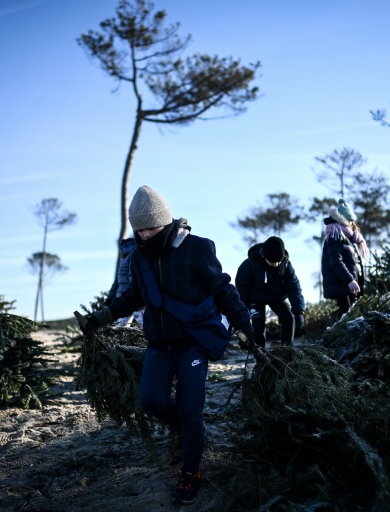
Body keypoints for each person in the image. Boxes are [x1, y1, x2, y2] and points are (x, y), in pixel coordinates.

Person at [81, 185, 254, 506]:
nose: (146, 235)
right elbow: (133, 296)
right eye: (140, 230)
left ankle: (191, 471)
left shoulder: (197, 248)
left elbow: (223, 290)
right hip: (159, 344)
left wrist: (244, 325)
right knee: (150, 400)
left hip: (193, 343)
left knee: (190, 408)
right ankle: (190, 432)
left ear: (167, 221)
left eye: (152, 228)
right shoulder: (138, 257)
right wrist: (99, 317)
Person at [235, 236, 306, 347]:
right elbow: (241, 291)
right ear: (263, 256)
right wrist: (243, 314)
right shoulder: (248, 265)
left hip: (276, 298)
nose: (276, 264)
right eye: (272, 262)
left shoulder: (286, 265)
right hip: (255, 299)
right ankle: (260, 357)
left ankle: (286, 351)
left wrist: (299, 311)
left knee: (289, 318)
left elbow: (294, 287)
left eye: (279, 261)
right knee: (258, 329)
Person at [321, 199, 369, 316]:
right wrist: (350, 280)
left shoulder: (348, 239)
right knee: (347, 316)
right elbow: (336, 262)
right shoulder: (336, 236)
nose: (353, 225)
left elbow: (354, 264)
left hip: (348, 286)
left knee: (349, 316)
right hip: (342, 285)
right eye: (351, 221)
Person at [104, 237, 143, 327]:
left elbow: (116, 284)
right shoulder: (135, 256)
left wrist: (110, 299)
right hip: (132, 298)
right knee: (145, 326)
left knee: (121, 326)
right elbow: (133, 277)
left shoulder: (124, 260)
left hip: (122, 298)